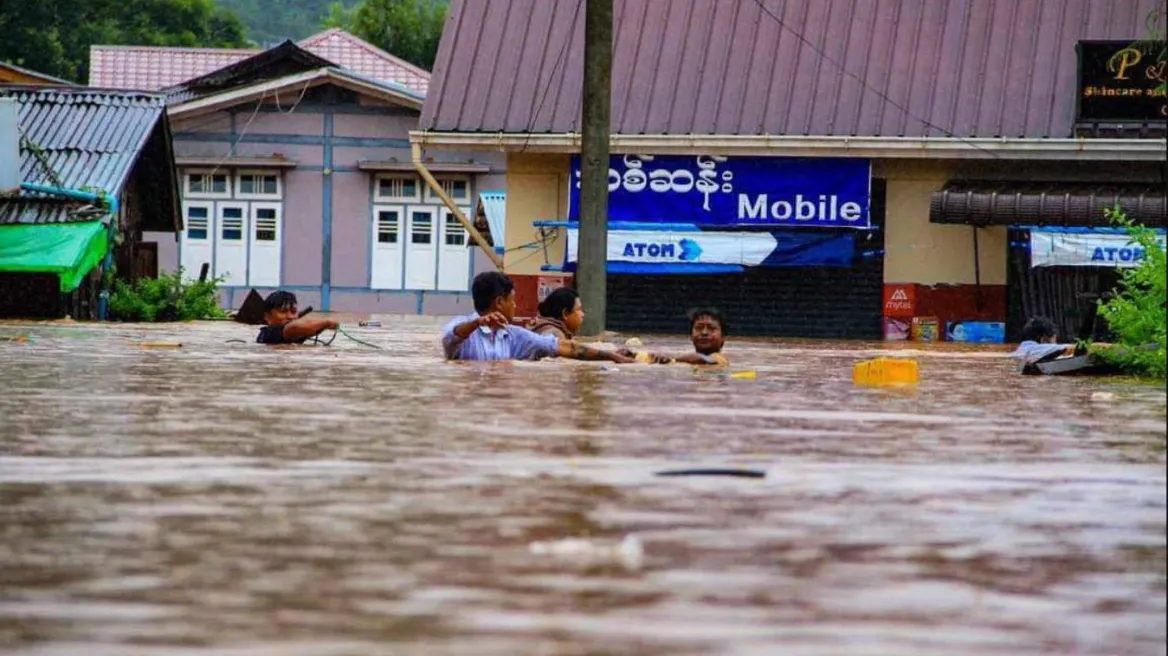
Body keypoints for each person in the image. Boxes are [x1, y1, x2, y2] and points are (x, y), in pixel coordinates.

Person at [443, 272, 634, 363]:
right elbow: (452, 335)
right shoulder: (461, 329)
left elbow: (562, 346)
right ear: (500, 302)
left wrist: (611, 355)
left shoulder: (514, 335)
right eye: (513, 301)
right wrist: (478, 322)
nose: (516, 306)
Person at [621, 308, 730, 366]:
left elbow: (702, 359)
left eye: (711, 328)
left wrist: (672, 360)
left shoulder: (720, 359)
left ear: (723, 337)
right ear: (691, 335)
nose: (704, 333)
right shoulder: (687, 361)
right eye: (699, 328)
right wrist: (633, 355)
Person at [256, 291, 338, 345]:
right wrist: (326, 322)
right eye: (283, 311)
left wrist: (323, 327)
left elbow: (306, 330)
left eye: (293, 311)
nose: (290, 316)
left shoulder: (295, 333)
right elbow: (293, 327)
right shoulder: (271, 333)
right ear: (267, 317)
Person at [1009, 317, 1077, 365]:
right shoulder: (1038, 349)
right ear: (1043, 338)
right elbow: (1073, 347)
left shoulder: (1018, 351)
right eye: (1053, 337)